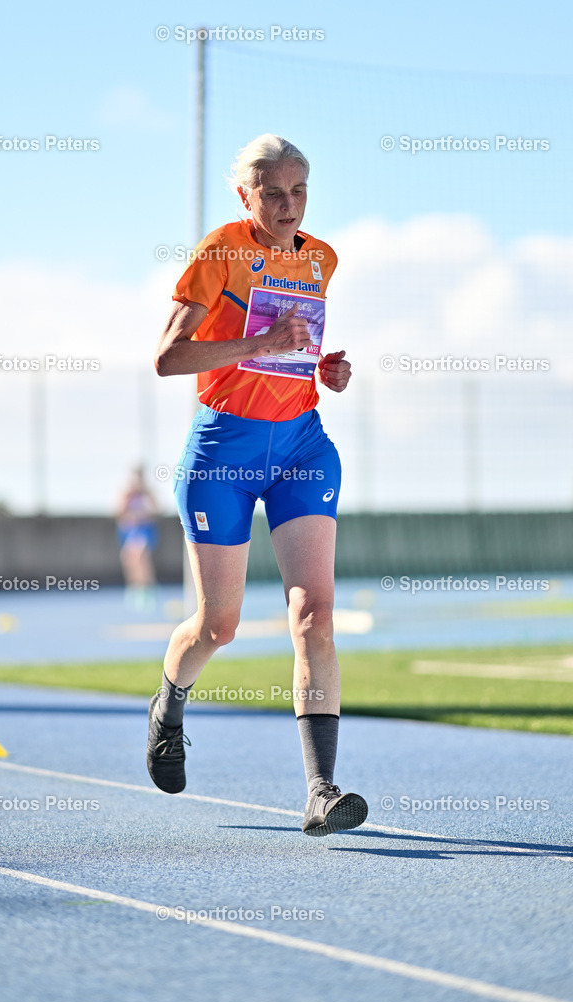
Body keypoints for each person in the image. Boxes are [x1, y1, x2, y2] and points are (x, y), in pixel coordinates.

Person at [146, 134, 368, 837]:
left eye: (299, 191)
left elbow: (293, 352)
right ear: (244, 196)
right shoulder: (220, 253)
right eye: (271, 192)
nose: (287, 205)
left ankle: (319, 789)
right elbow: (168, 358)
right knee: (221, 624)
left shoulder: (320, 258)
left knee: (315, 615)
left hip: (302, 443)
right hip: (224, 452)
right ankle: (169, 705)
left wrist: (321, 369)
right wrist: (257, 347)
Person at [115, 466, 159, 608]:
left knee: (141, 557)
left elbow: (156, 510)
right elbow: (119, 513)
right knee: (129, 559)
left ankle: (148, 589)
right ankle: (134, 587)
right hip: (130, 531)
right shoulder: (127, 495)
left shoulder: (147, 494)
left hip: (144, 530)